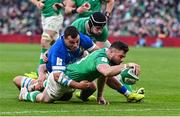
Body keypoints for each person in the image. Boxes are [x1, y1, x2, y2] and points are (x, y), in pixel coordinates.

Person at [18, 41, 144, 104]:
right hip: (63, 79)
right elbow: (106, 72)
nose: (122, 59)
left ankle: (34, 85)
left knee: (90, 87)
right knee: (44, 100)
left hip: (75, 80)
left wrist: (100, 96)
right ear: (111, 52)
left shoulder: (107, 55)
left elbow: (104, 76)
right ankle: (25, 93)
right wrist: (126, 66)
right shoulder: (101, 58)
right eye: (121, 56)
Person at [29, 0, 64, 65]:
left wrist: (61, 4)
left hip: (54, 15)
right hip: (44, 16)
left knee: (45, 41)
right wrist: (37, 3)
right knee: (53, 43)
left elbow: (69, 3)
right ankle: (57, 67)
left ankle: (41, 70)